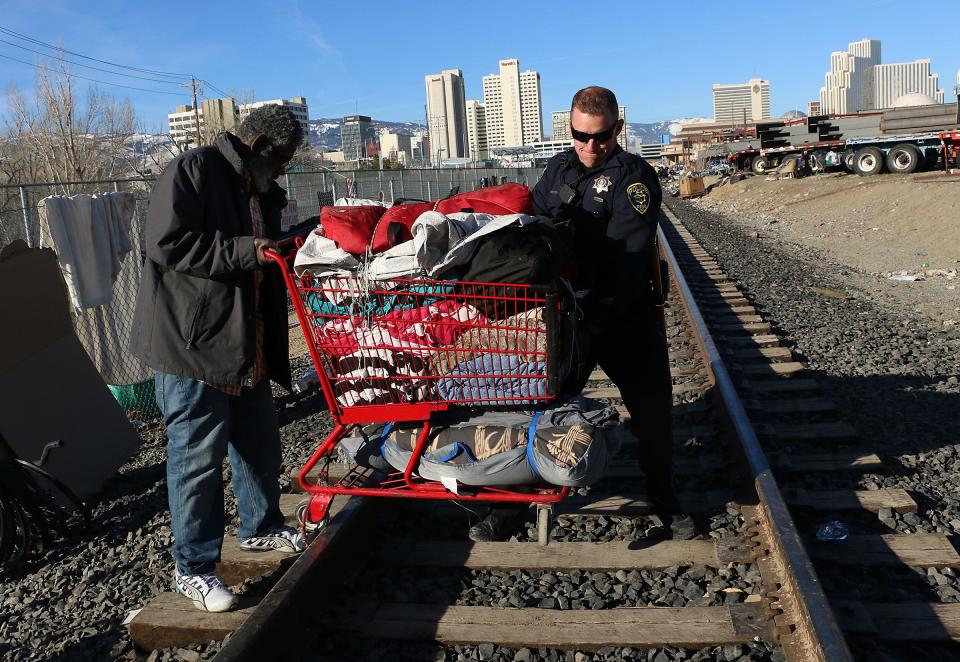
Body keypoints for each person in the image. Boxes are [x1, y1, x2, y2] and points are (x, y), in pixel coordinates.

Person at [467, 86, 695, 542]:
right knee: (534, 404)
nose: (591, 146)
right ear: (569, 128)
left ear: (618, 128)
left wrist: (594, 323)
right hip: (568, 313)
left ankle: (663, 499)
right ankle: (512, 504)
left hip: (624, 314)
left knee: (650, 409)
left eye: (602, 136)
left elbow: (628, 265)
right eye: (580, 135)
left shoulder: (635, 179)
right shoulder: (558, 170)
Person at [131, 106, 306, 612]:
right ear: (256, 146)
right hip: (192, 345)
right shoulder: (194, 170)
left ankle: (262, 527)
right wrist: (246, 251)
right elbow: (166, 241)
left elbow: (264, 250)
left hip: (240, 337)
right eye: (280, 162)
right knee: (196, 461)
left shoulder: (257, 188)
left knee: (258, 443)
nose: (282, 172)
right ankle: (193, 567)